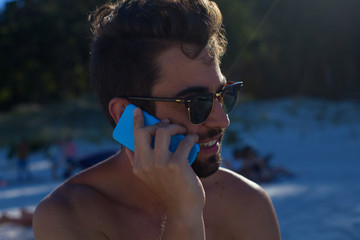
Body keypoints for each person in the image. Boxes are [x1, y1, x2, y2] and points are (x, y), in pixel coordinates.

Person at [33, 1, 281, 239]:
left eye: (223, 94)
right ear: (125, 115)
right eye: (197, 103)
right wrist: (183, 214)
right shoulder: (67, 214)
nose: (222, 120)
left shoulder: (247, 203)